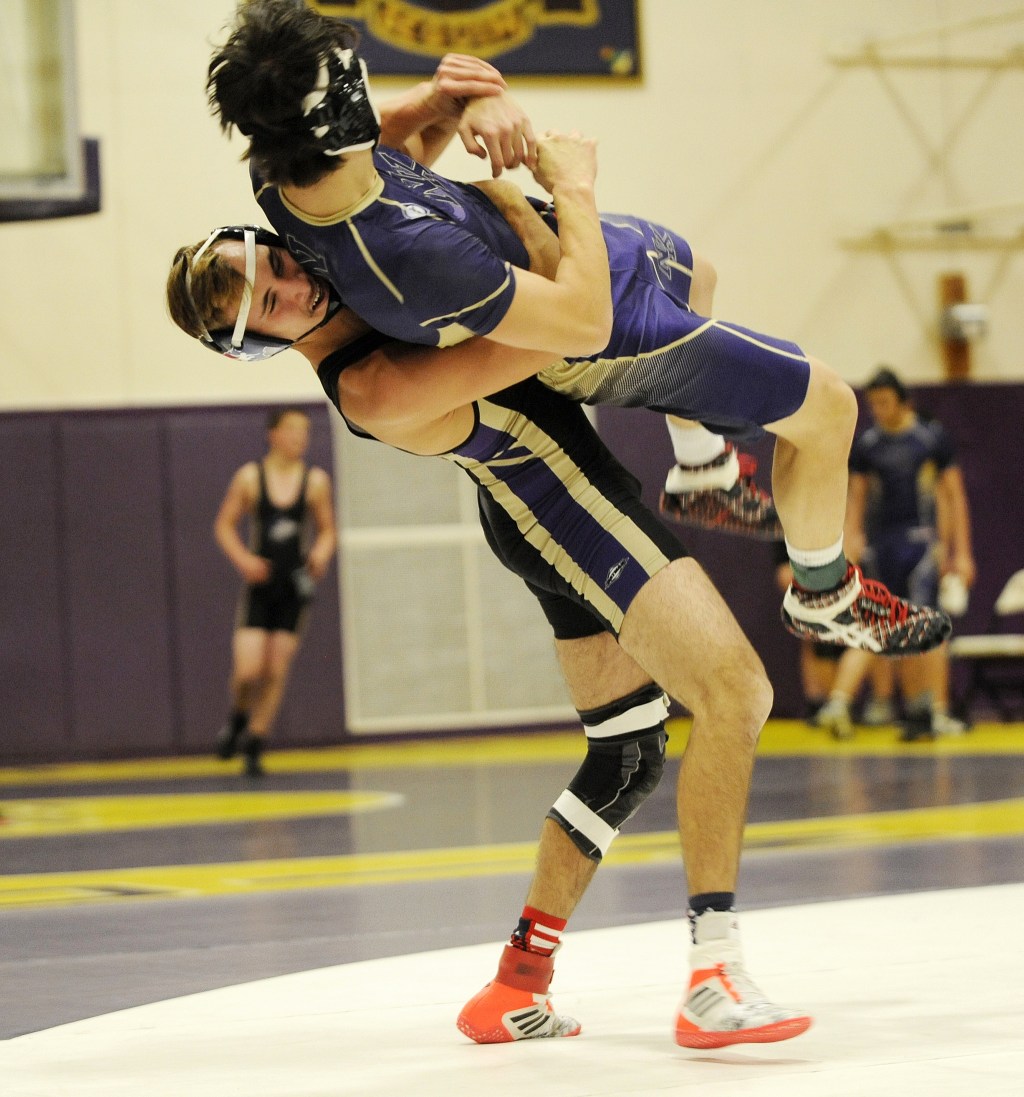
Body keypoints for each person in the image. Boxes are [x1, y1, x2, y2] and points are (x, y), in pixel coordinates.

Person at [168, 127, 813, 1049]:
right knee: (736, 691)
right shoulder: (371, 387)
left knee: (626, 753)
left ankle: (515, 985)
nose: (293, 284)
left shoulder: (340, 264)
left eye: (276, 263)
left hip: (531, 507)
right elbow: (579, 325)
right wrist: (551, 192)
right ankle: (714, 977)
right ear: (257, 346)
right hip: (562, 504)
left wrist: (452, 99)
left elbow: (382, 159)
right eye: (271, 303)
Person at [200, 0, 951, 659]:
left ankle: (702, 472)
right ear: (336, 122)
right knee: (828, 408)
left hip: (541, 242)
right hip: (600, 321)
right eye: (350, 77)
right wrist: (573, 184)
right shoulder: (411, 257)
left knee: (701, 272)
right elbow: (583, 326)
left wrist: (450, 97)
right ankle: (823, 591)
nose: (364, 79)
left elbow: (389, 137)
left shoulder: (280, 173)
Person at [815, 367, 976, 741]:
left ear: (903, 402)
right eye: (873, 403)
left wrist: (961, 553)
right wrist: (849, 543)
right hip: (880, 548)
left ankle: (933, 709)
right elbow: (855, 498)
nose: (879, 410)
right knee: (877, 626)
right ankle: (844, 703)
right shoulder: (868, 445)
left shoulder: (929, 439)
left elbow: (954, 496)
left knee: (926, 625)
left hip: (920, 546)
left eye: (885, 402)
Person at [213, 406, 337, 775]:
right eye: (292, 429)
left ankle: (255, 741)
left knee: (275, 668)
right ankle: (238, 716)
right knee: (249, 669)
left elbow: (328, 530)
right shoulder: (251, 477)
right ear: (273, 434)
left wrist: (321, 553)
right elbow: (224, 525)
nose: (300, 437)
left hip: (293, 585)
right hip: (261, 583)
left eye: (305, 431)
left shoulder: (315, 481)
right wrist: (244, 560)